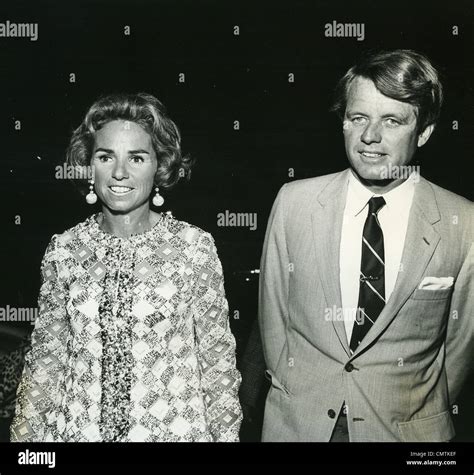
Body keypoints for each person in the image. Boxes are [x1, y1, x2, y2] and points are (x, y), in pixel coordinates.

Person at [259, 50, 473, 442]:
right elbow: (274, 322)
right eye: (358, 118)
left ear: (423, 132)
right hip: (298, 427)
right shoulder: (294, 203)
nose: (370, 136)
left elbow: (458, 352)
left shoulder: (465, 224)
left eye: (392, 121)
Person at [10, 93, 242, 442]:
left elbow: (218, 368)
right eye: (106, 157)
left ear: (159, 166)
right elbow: (44, 369)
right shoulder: (65, 251)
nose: (119, 172)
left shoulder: (194, 248)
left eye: (136, 157)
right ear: (90, 164)